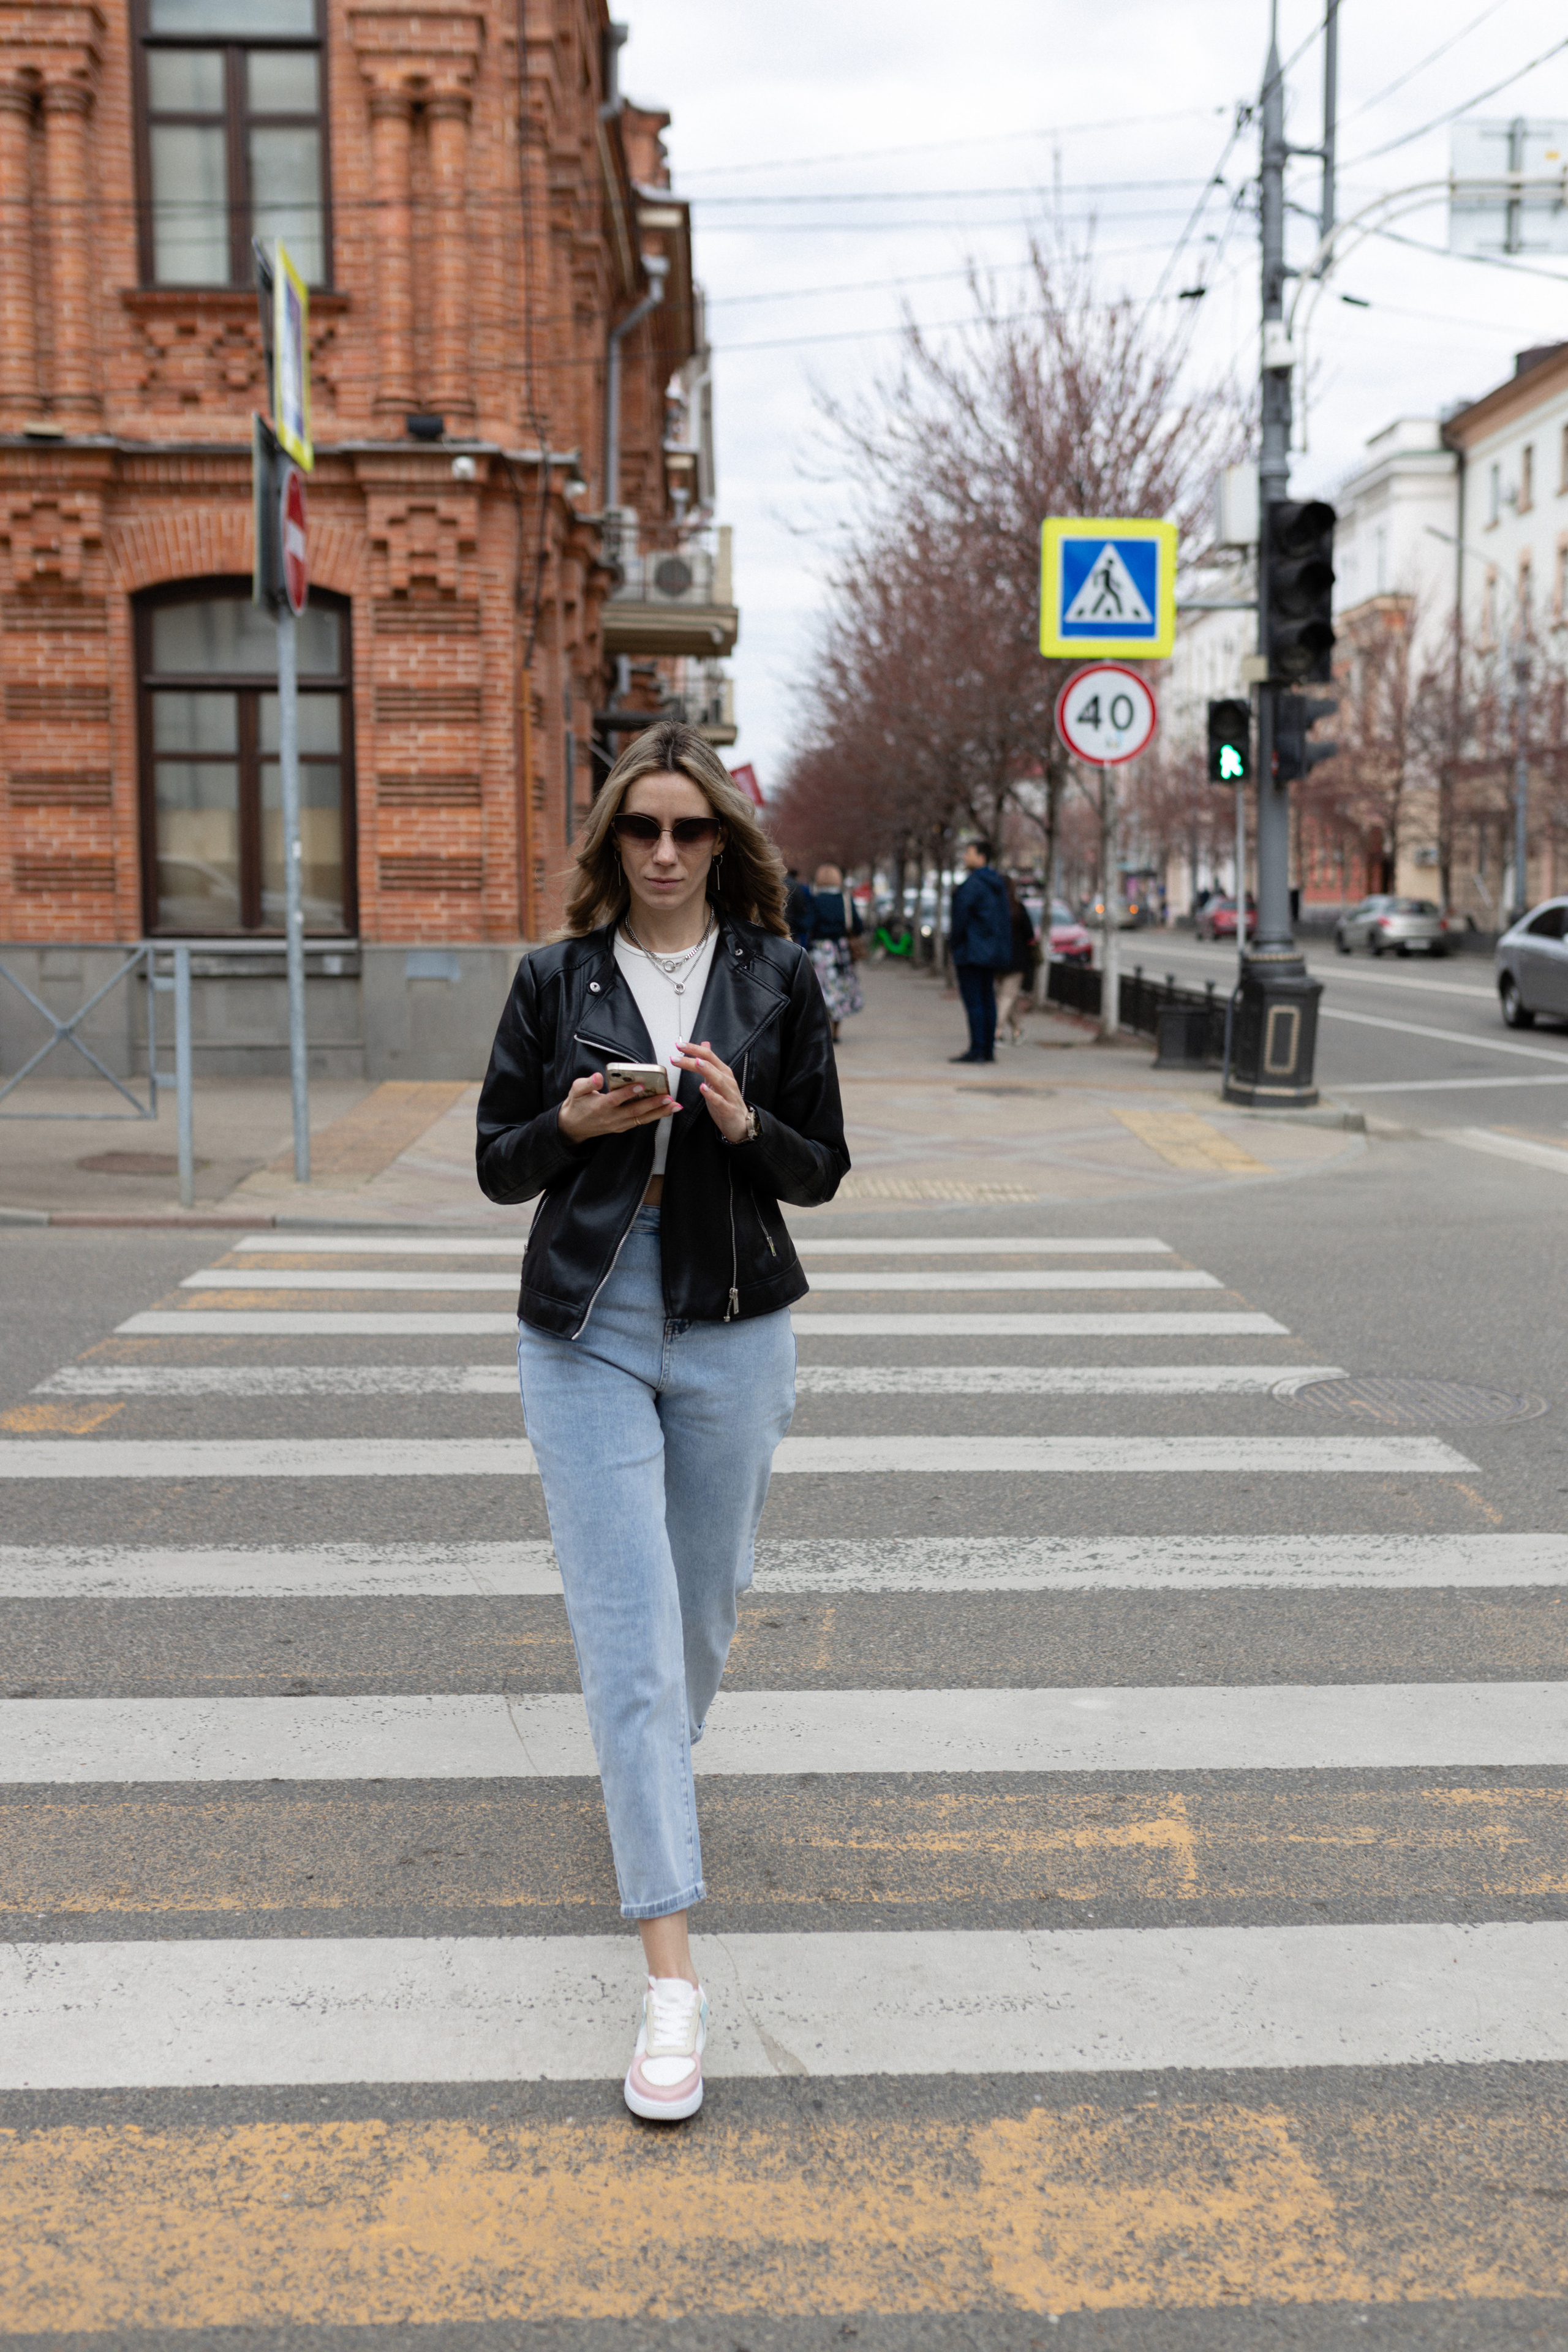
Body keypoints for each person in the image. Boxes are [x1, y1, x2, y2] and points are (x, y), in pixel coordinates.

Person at [476, 721, 848, 2124]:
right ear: (611, 842)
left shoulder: (775, 974)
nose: (666, 852)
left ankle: (645, 1777)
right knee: (626, 1643)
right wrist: (572, 1126)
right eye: (642, 828)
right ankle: (672, 1983)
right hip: (585, 1318)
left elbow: (821, 1168)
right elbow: (492, 1161)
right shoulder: (551, 977)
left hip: (734, 1314)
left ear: (722, 843)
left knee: (701, 1613)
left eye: (691, 830)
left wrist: (745, 1122)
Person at [948, 837, 1012, 1063]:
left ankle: (977, 1050)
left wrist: (955, 944)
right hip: (990, 952)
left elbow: (960, 919)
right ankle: (987, 1050)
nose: (966, 857)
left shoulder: (973, 885)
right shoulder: (996, 884)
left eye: (969, 853)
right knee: (987, 1000)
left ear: (981, 857)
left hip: (971, 952)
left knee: (975, 1001)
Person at [805, 861, 864, 1042]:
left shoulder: (814, 900)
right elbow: (858, 926)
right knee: (841, 989)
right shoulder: (845, 899)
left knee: (820, 989)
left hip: (821, 951)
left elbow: (809, 924)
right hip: (841, 950)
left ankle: (820, 1029)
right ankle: (836, 1032)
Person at [993, 878, 1039, 1047]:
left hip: (998, 959)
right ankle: (995, 1032)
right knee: (1007, 996)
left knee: (1008, 996)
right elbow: (1030, 934)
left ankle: (1018, 1031)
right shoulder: (1017, 908)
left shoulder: (993, 908)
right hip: (1017, 959)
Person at [784, 867, 815, 947]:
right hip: (792, 930)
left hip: (775, 928)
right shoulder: (798, 886)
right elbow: (801, 910)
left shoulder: (773, 882)